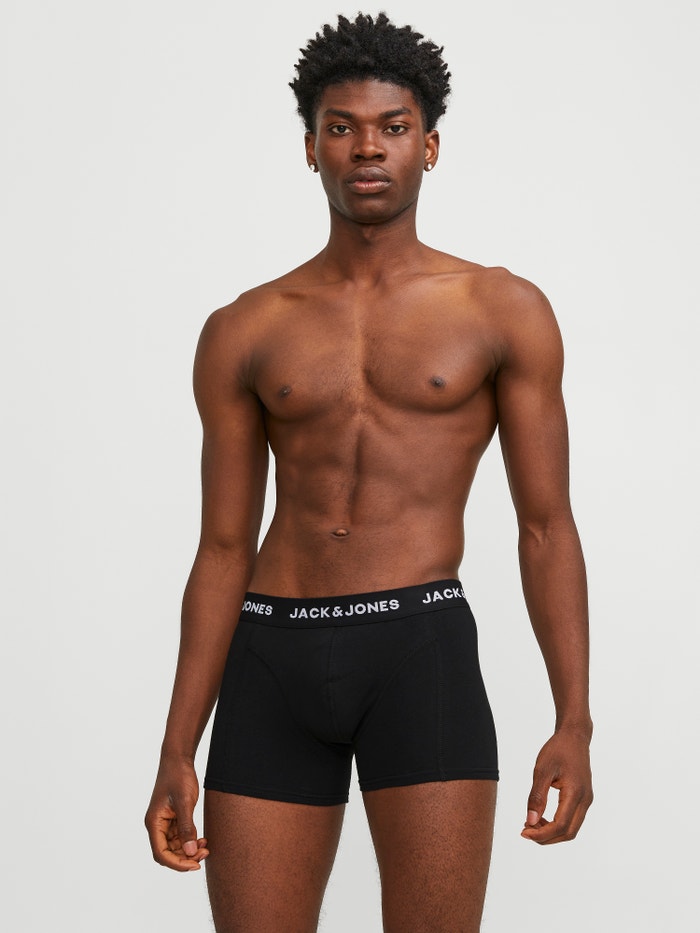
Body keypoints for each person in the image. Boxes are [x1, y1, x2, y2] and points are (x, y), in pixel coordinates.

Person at [145, 12, 593, 932]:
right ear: (310, 148)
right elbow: (223, 545)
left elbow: (546, 525)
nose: (367, 148)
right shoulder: (245, 327)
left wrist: (574, 718)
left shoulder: (501, 309)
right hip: (271, 655)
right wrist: (177, 743)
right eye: (341, 127)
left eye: (392, 126)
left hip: (419, 652)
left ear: (430, 146)